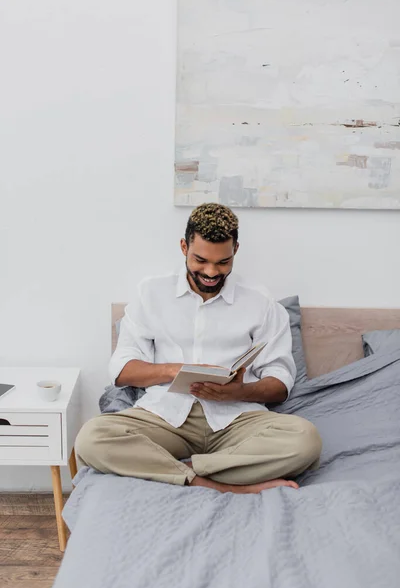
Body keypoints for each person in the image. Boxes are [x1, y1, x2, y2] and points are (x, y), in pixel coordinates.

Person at [76, 203, 322, 493]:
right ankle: (215, 481)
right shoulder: (152, 292)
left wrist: (239, 391)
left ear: (236, 251)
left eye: (222, 263)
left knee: (305, 440)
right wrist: (176, 371)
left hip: (236, 419)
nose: (210, 272)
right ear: (184, 247)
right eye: (200, 260)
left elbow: (280, 382)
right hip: (165, 417)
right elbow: (122, 369)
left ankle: (184, 469)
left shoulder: (260, 302)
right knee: (92, 437)